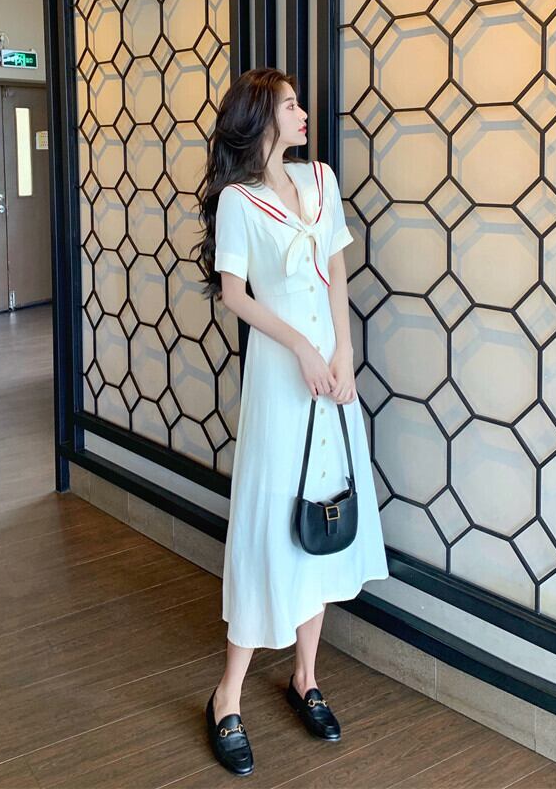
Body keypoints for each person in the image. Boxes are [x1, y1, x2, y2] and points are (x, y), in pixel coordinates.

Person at [193, 67, 389, 776]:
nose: (303, 112)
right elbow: (234, 295)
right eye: (290, 104)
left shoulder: (323, 181)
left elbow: (336, 276)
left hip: (331, 379)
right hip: (280, 380)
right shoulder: (238, 201)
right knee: (269, 525)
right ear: (261, 117)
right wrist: (303, 347)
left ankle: (305, 678)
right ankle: (227, 696)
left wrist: (343, 354)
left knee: (323, 516)